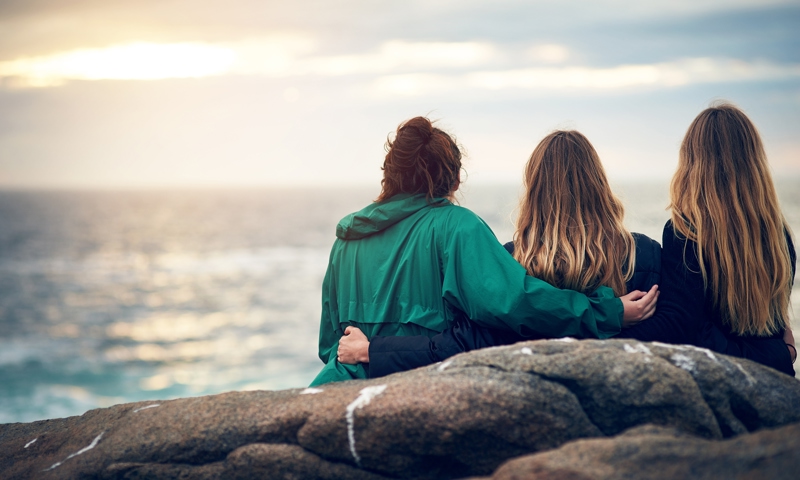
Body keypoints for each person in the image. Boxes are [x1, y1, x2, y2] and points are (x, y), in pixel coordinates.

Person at [310, 118, 658, 386]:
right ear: (456, 179)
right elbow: (516, 304)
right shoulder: (456, 227)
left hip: (336, 390)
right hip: (417, 389)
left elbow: (330, 347)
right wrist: (605, 311)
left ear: (389, 175)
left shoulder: (347, 240)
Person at [619, 103, 796, 376]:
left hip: (720, 383)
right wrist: (780, 356)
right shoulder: (779, 238)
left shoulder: (686, 233)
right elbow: (775, 336)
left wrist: (601, 336)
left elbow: (684, 328)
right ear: (754, 161)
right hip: (774, 385)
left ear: (692, 162)